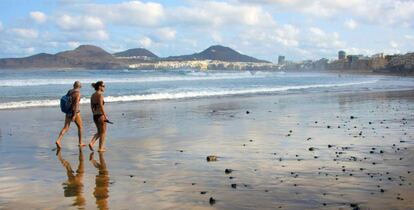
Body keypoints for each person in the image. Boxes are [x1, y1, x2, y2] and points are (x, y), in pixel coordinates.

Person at [56, 81, 84, 149]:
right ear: (80, 86)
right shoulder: (78, 93)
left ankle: (58, 140)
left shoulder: (70, 91)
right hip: (75, 112)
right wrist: (74, 115)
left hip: (68, 111)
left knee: (65, 127)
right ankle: (80, 143)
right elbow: (76, 104)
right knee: (80, 127)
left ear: (73, 85)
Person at [89, 81, 108, 152]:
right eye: (103, 86)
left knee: (99, 132)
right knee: (103, 132)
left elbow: (91, 106)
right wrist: (105, 116)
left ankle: (91, 143)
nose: (104, 87)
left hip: (95, 115)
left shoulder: (92, 95)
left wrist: (94, 113)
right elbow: (101, 105)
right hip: (100, 115)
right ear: (99, 87)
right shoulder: (100, 95)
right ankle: (100, 148)